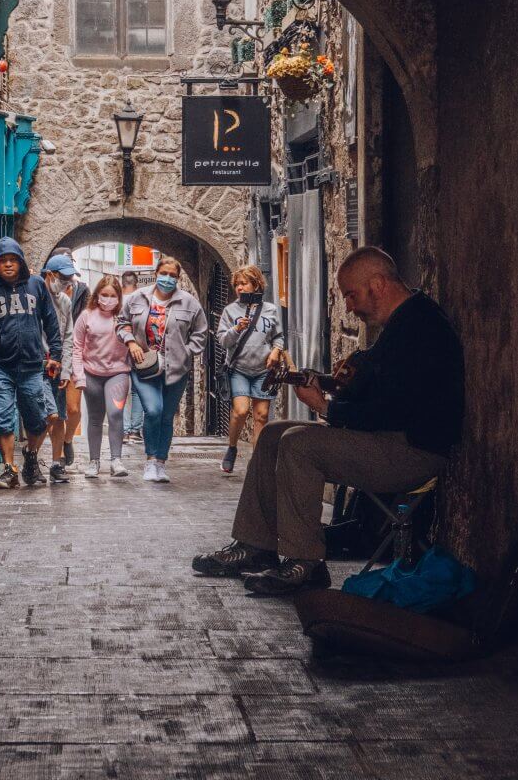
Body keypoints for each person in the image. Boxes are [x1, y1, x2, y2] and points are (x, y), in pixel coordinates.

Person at [192, 246, 465, 595]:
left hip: (412, 451)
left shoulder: (421, 328)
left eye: (351, 295)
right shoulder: (400, 324)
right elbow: (376, 389)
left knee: (299, 445)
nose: (348, 306)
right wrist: (327, 382)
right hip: (387, 438)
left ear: (378, 284)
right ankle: (255, 546)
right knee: (274, 433)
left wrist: (325, 408)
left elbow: (393, 411)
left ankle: (306, 562)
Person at [0, 237, 62, 489]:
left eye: (13, 260)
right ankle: (9, 469)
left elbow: (51, 321)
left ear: (20, 262)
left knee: (38, 418)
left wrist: (55, 355)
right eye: (3, 261)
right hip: (1, 365)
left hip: (32, 365)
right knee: (1, 416)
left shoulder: (36, 285)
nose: (8, 264)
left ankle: (30, 457)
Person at [117, 257, 208, 483]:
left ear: (178, 278)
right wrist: (131, 342)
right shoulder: (138, 298)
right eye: (164, 273)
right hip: (144, 366)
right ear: (156, 273)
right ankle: (150, 460)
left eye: (173, 275)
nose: (167, 278)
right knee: (154, 410)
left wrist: (187, 352)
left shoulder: (189, 303)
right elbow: (122, 323)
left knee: (166, 416)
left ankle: (160, 463)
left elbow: (201, 333)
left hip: (176, 368)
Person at [216, 265, 284, 474]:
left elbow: (278, 337)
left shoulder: (270, 310)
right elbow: (222, 341)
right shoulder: (230, 311)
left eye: (244, 283)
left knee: (261, 416)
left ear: (256, 284)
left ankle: (257, 462)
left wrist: (276, 351)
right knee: (241, 411)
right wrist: (236, 329)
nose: (239, 288)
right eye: (237, 284)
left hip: (263, 370)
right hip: (239, 369)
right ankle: (232, 447)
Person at [72, 276, 131, 479]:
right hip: (92, 374)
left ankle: (116, 460)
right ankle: (94, 461)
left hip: (118, 373)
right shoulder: (86, 316)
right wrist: (79, 376)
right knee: (95, 418)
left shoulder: (123, 317)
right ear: (97, 295)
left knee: (115, 414)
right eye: (104, 294)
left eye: (113, 295)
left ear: (119, 297)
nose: (108, 299)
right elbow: (77, 347)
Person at [48, 247, 89, 467]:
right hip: (51, 356)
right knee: (54, 412)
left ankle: (68, 439)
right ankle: (57, 457)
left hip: (73, 353)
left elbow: (85, 319)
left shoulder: (82, 290)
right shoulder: (44, 291)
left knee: (73, 409)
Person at [40, 254, 77, 483]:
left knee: (60, 416)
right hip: (40, 365)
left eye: (69, 278)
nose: (66, 282)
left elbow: (68, 337)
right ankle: (32, 458)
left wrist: (66, 371)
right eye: (62, 278)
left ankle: (56, 463)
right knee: (48, 416)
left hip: (58, 368)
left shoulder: (65, 301)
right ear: (50, 275)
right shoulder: (35, 297)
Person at [120, 270, 144, 443]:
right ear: (137, 284)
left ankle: (124, 430)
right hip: (138, 350)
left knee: (121, 391)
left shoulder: (116, 301)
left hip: (119, 351)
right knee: (138, 390)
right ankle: (135, 431)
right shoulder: (141, 300)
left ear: (122, 284)